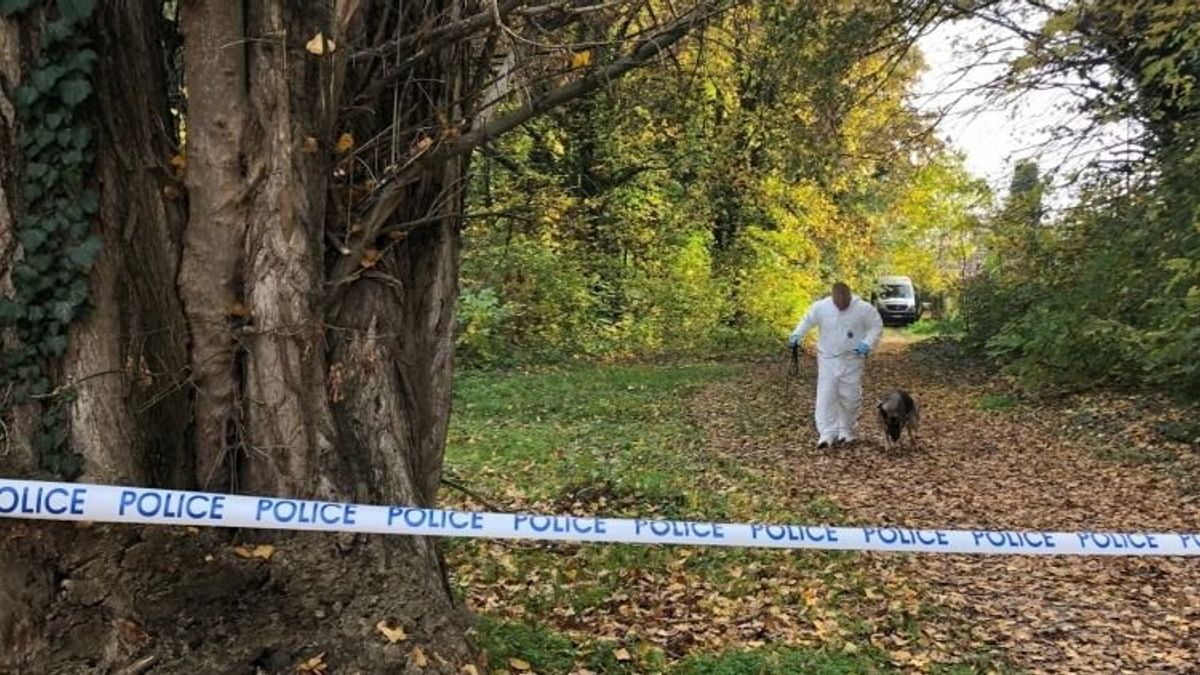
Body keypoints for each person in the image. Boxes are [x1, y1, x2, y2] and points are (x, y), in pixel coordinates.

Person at [787, 282, 883, 448]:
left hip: (852, 359)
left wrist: (868, 342)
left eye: (844, 304)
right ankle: (827, 433)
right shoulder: (821, 307)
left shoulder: (863, 308)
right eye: (837, 304)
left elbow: (876, 325)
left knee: (850, 397)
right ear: (832, 298)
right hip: (827, 359)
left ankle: (846, 430)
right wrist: (797, 333)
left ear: (850, 296)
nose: (841, 307)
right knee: (826, 395)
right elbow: (807, 320)